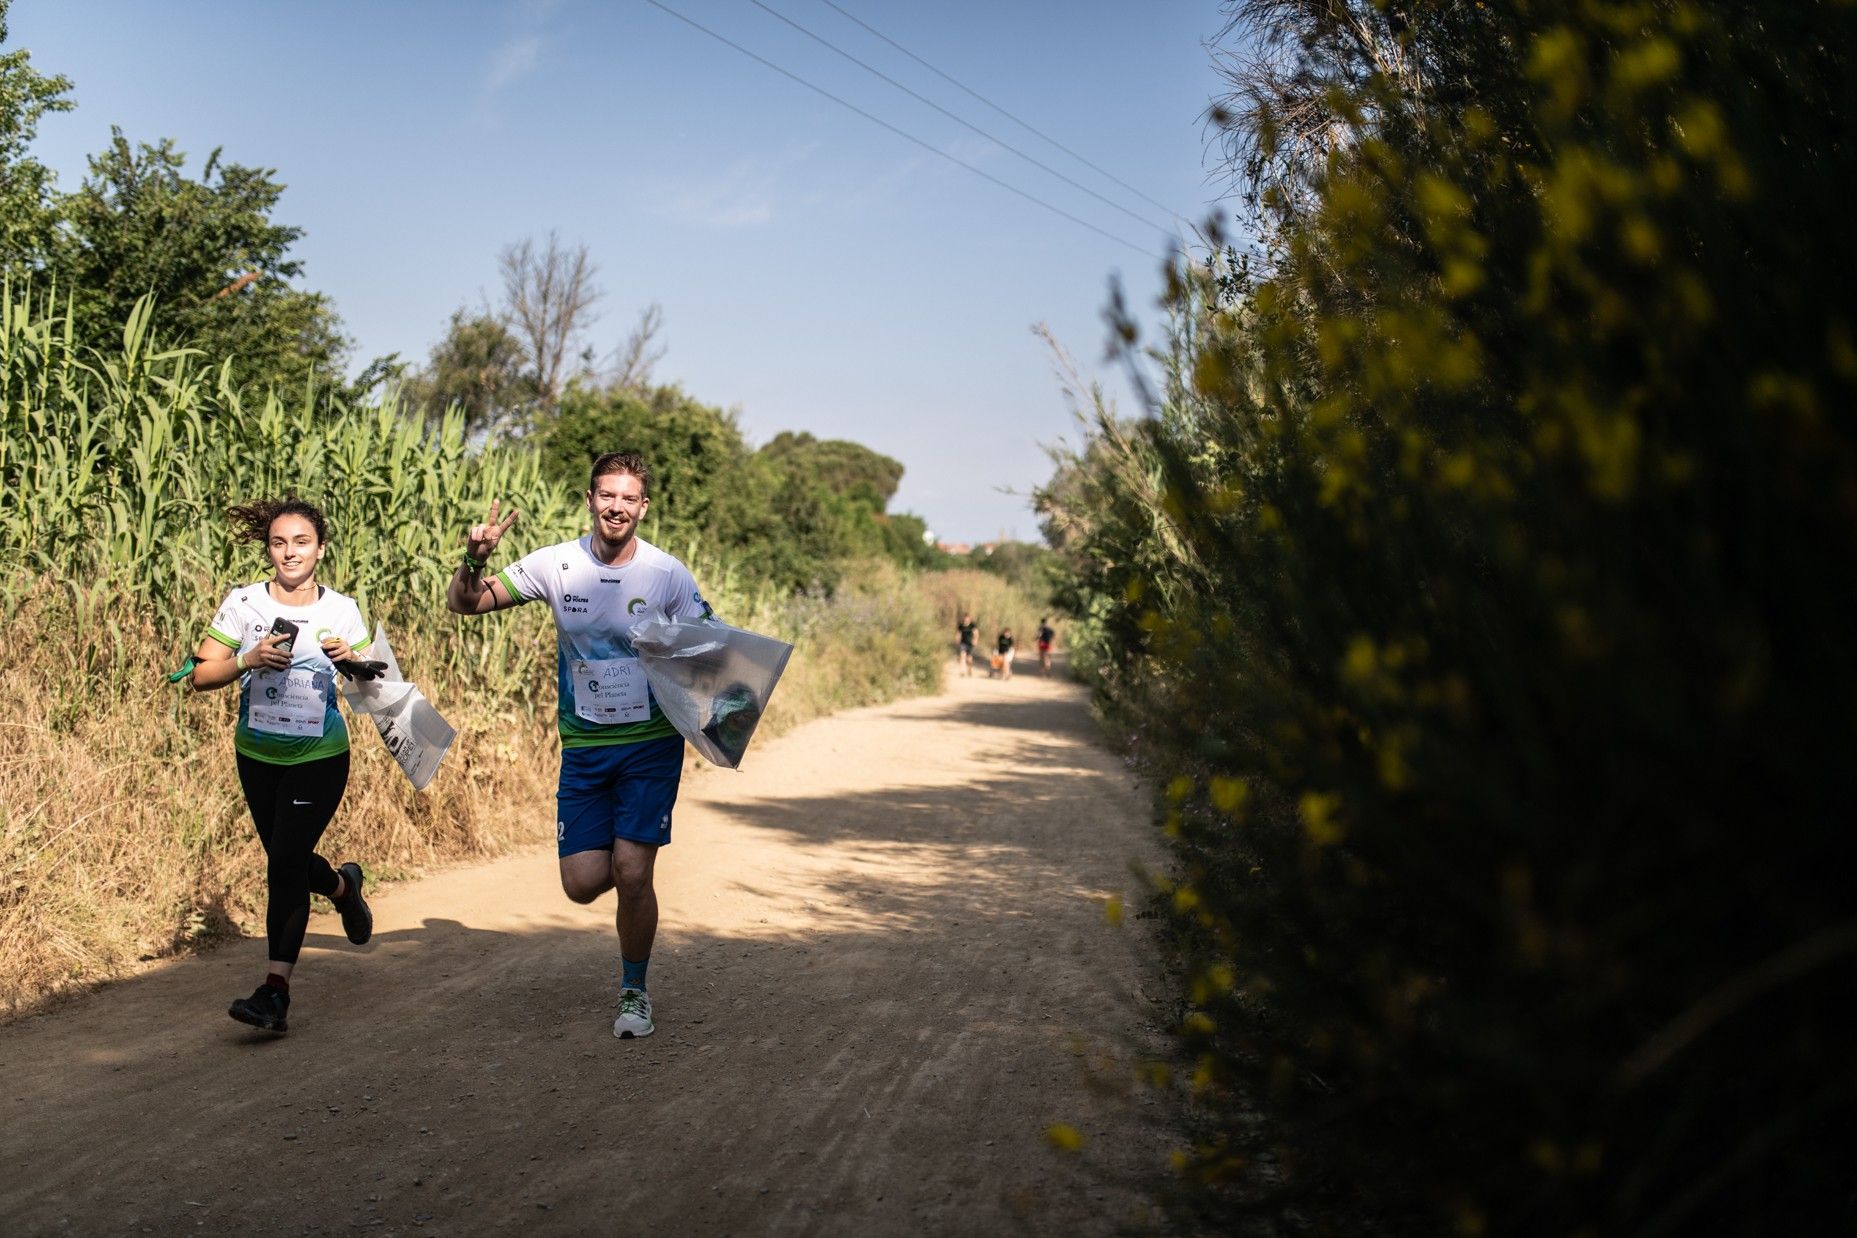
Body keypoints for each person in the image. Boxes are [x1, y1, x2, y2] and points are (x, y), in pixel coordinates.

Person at [446, 452, 713, 1041]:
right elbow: (465, 603)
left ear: (643, 506)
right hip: (585, 745)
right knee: (583, 882)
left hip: (650, 744)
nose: (617, 506)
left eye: (629, 497)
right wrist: (474, 559)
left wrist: (726, 708)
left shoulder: (667, 575)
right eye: (606, 495)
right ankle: (630, 875)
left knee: (632, 871)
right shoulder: (555, 565)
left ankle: (634, 990)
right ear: (590, 500)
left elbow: (708, 645)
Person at [189, 498, 376, 1035]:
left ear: (320, 548)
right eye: (278, 542)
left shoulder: (341, 610)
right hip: (256, 755)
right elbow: (201, 676)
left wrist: (350, 663)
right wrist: (247, 660)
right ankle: (343, 887)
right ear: (268, 548)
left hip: (319, 757)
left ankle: (274, 992)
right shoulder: (242, 604)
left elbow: (373, 687)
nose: (288, 552)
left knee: (283, 865)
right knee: (286, 859)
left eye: (300, 542)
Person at [956, 612, 978, 677]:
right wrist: (957, 640)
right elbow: (958, 633)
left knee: (969, 659)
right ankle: (962, 671)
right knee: (962, 656)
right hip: (963, 643)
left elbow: (976, 633)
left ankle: (969, 669)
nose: (966, 620)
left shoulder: (972, 625)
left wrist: (975, 640)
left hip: (970, 643)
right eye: (965, 619)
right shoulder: (961, 625)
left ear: (969, 619)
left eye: (967, 619)